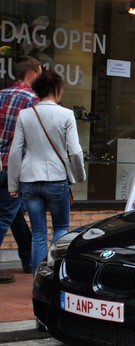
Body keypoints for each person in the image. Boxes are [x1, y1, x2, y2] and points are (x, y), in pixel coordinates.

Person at [8, 71, 86, 273]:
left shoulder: (25, 115)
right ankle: (56, 277)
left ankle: (38, 279)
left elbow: (15, 152)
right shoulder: (66, 114)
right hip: (56, 178)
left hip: (29, 180)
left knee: (39, 234)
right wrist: (80, 176)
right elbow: (75, 152)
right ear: (57, 90)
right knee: (61, 228)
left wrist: (13, 184)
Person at [0, 56, 41, 282]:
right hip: (15, 167)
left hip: (0, 164)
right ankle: (28, 259)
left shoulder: (1, 95)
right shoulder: (32, 99)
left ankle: (27, 258)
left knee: (15, 212)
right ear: (32, 74)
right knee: (6, 214)